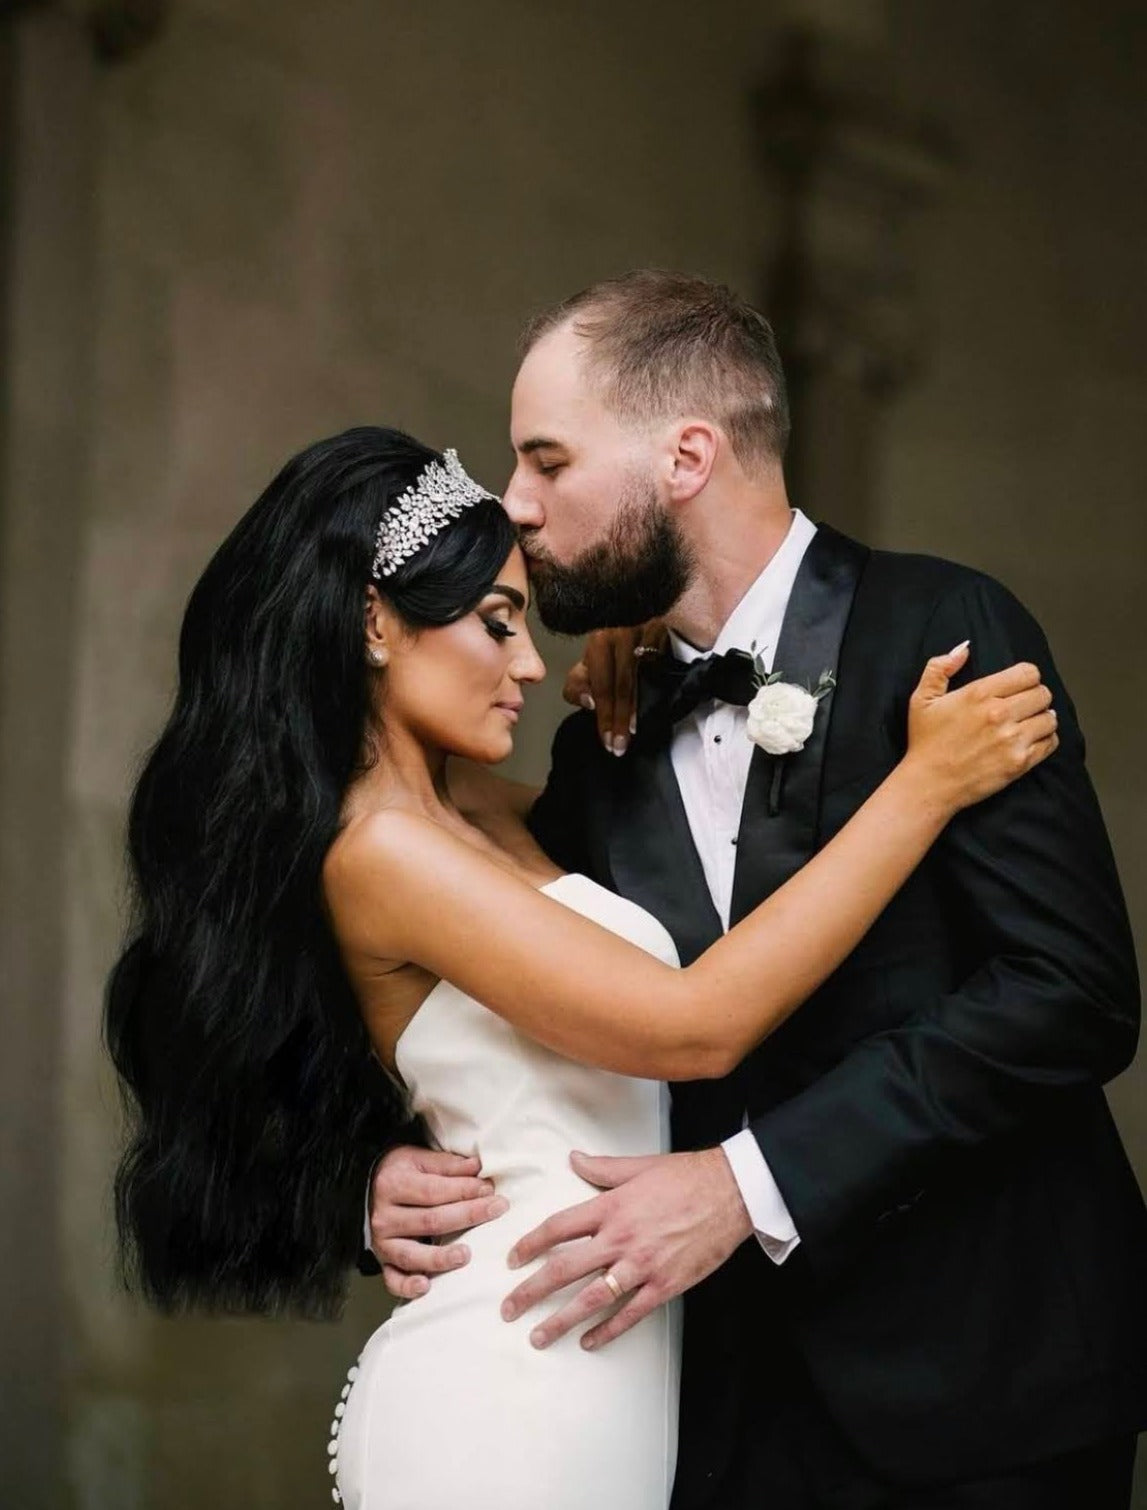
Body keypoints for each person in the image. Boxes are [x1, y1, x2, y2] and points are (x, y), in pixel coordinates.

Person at [104, 425, 1053, 1510]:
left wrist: (647, 657)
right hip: (507, 1385)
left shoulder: (464, 814)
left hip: (599, 1382)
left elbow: (644, 846)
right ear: (374, 621)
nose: (529, 663)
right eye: (497, 624)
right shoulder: (380, 851)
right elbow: (695, 1026)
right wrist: (924, 787)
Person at [367, 272, 1147, 1510]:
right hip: (717, 1412)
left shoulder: (943, 631)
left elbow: (1074, 994)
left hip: (985, 1388)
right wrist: (380, 1175)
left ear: (684, 456)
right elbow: (518, 1006)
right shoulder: (598, 733)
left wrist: (748, 1184)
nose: (512, 506)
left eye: (546, 461)